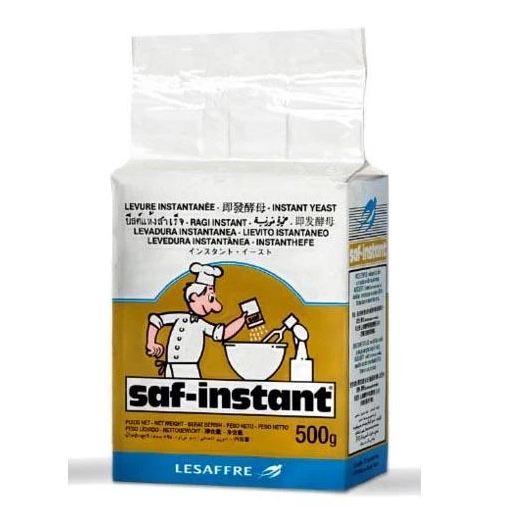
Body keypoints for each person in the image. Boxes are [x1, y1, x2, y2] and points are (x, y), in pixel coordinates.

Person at [145, 262, 246, 378]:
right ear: (194, 296)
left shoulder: (202, 324)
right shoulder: (179, 317)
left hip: (189, 370)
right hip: (169, 368)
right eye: (211, 298)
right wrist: (151, 342)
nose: (217, 307)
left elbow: (223, 333)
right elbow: (156, 320)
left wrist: (242, 319)